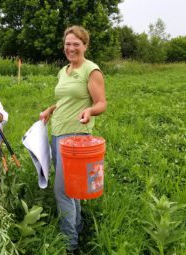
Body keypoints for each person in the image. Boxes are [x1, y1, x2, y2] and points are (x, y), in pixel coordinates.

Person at [39, 25, 107, 252]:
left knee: (63, 190)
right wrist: (50, 109)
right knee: (73, 188)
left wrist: (89, 112)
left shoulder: (91, 70)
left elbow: (101, 103)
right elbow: (64, 100)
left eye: (76, 44)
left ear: (85, 45)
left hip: (77, 138)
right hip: (58, 134)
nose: (71, 48)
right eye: (67, 44)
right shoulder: (64, 70)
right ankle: (77, 228)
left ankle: (69, 244)